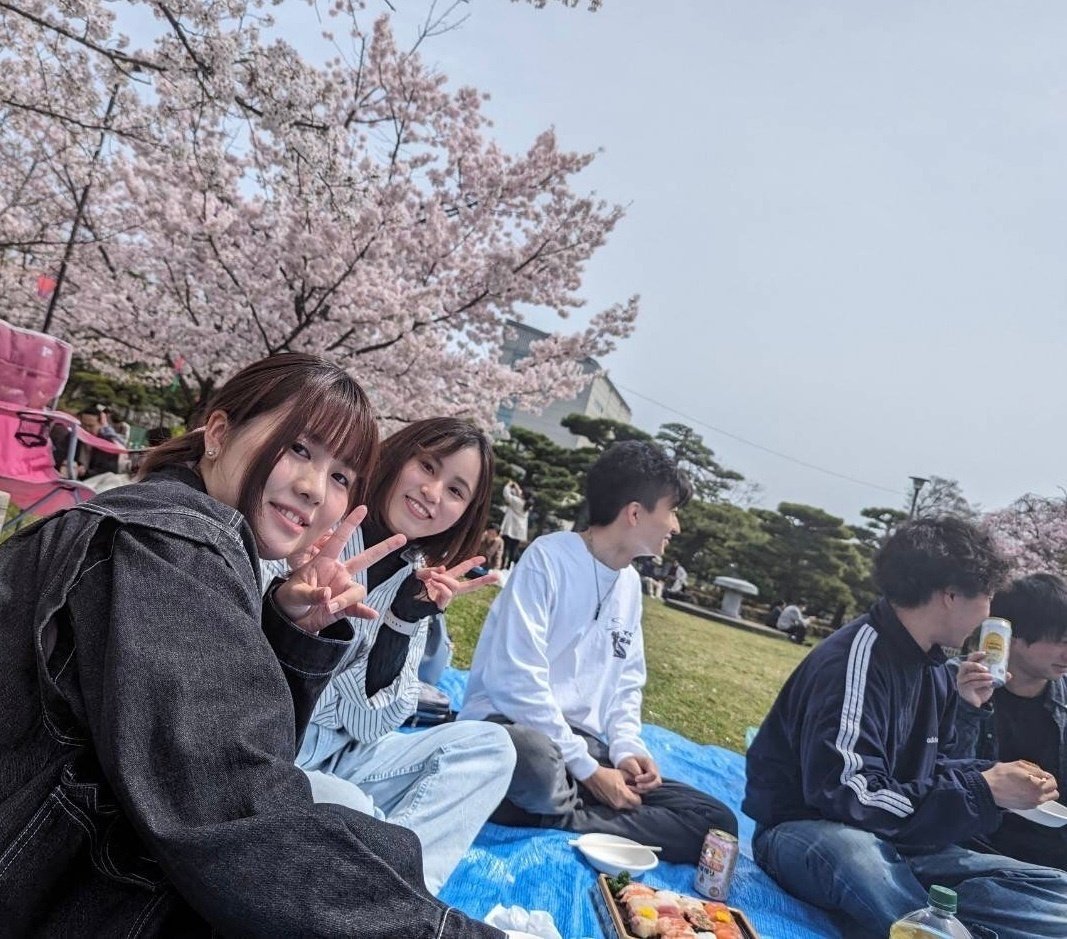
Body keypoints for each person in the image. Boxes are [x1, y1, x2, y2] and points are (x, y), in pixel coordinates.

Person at [0, 353, 504, 937]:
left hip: (122, 826)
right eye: (299, 448)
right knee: (348, 834)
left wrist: (374, 625)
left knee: (490, 751)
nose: (315, 488)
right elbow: (226, 793)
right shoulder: (176, 544)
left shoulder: (229, 541)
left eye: (340, 475)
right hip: (56, 872)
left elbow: (349, 724)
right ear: (217, 433)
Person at [744, 516, 1067, 939]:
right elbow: (845, 791)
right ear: (950, 595)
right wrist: (980, 791)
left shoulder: (932, 668)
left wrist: (989, 781)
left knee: (1054, 888)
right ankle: (930, 927)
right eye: (987, 597)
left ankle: (931, 922)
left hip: (900, 840)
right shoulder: (856, 659)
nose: (988, 614)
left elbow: (935, 769)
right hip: (807, 833)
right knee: (856, 856)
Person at [460, 440, 737, 862]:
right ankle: (568, 803)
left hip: (583, 748)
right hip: (516, 731)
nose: (675, 527)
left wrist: (626, 750)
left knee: (714, 821)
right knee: (530, 759)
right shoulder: (548, 558)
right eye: (672, 511)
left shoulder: (629, 586)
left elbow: (627, 684)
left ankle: (556, 814)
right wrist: (590, 773)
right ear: (635, 513)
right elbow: (516, 682)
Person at [272, 417, 517, 895]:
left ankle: (394, 895)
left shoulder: (415, 578)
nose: (432, 492)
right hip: (278, 750)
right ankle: (389, 897)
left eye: (455, 491)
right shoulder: (320, 529)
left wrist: (400, 623)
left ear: (464, 513)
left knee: (491, 748)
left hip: (343, 755)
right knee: (350, 807)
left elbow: (371, 727)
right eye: (427, 466)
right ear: (397, 456)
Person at [947, 572, 1067, 871]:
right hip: (976, 850)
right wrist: (968, 708)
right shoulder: (954, 682)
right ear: (1013, 637)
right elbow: (941, 775)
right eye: (1060, 641)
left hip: (1053, 851)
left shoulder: (1063, 695)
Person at [499, 479, 529, 568]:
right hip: (519, 530)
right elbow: (519, 495)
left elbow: (507, 495)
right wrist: (517, 487)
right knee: (514, 549)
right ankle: (509, 566)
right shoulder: (527, 504)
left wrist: (508, 485)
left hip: (510, 528)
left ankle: (502, 565)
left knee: (505, 547)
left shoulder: (517, 501)